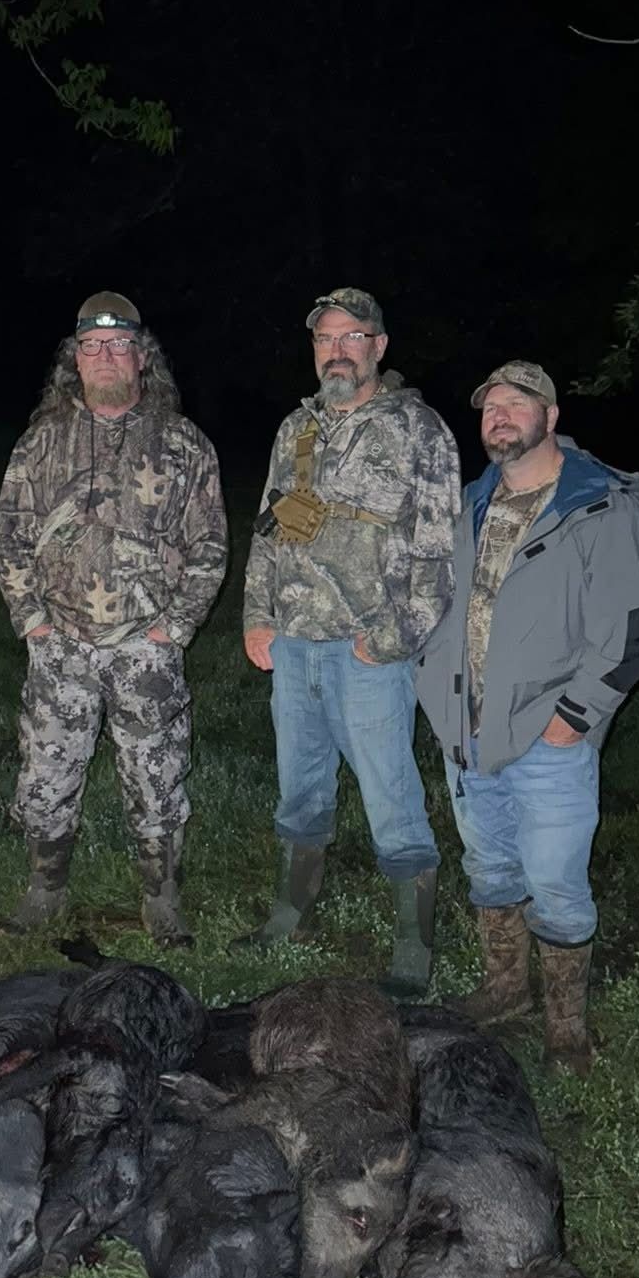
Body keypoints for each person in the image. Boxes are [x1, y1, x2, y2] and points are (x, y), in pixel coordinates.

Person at [416, 360, 639, 1073]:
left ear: (550, 418)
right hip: (469, 730)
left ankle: (566, 1026)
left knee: (555, 879)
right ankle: (502, 989)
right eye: (490, 406)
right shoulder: (471, 504)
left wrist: (573, 717)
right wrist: (434, 688)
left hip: (549, 734)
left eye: (518, 403)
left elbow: (634, 629)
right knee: (489, 866)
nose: (501, 414)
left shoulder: (599, 506)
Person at [239, 287, 464, 995]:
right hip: (295, 645)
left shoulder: (419, 430)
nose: (337, 350)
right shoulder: (294, 430)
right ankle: (291, 911)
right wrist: (255, 615)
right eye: (325, 339)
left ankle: (412, 943)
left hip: (368, 650)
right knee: (300, 791)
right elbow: (269, 528)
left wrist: (393, 638)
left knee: (390, 795)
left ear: (379, 347)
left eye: (351, 336)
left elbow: (440, 554)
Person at [0, 291, 226, 946]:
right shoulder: (42, 442)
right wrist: (32, 621)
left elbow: (209, 548)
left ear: (141, 358)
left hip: (144, 645)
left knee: (156, 774)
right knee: (47, 769)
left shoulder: (182, 445)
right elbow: (7, 537)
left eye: (118, 344)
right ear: (75, 360)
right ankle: (44, 887)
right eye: (91, 346)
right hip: (60, 641)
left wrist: (173, 629)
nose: (104, 357)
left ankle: (161, 896)